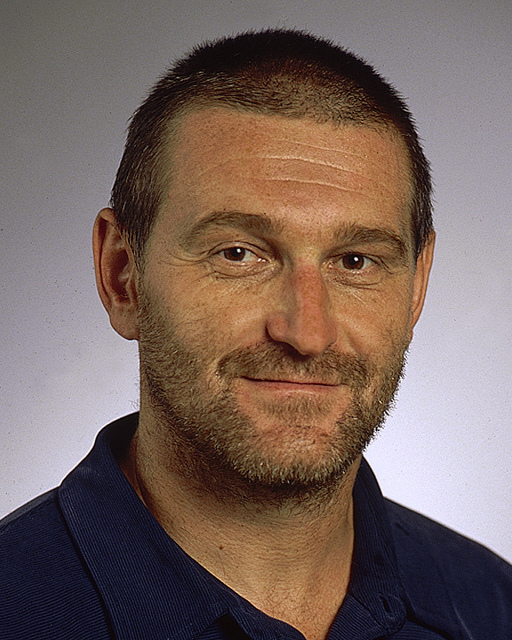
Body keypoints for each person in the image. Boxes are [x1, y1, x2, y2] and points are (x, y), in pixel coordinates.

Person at [1, 28, 511, 640]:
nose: (307, 333)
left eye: (355, 261)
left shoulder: (491, 608)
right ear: (122, 276)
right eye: (239, 254)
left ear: (417, 286)